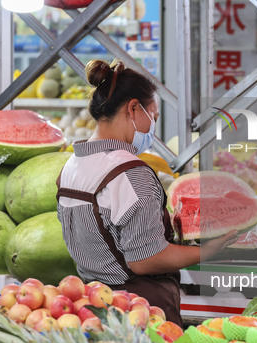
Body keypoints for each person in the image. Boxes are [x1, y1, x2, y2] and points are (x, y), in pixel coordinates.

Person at [56, 59, 237, 326]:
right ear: (133, 108)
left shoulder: (71, 166)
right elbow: (146, 259)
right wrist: (208, 251)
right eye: (153, 115)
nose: (153, 124)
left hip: (91, 306)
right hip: (139, 311)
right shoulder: (131, 172)